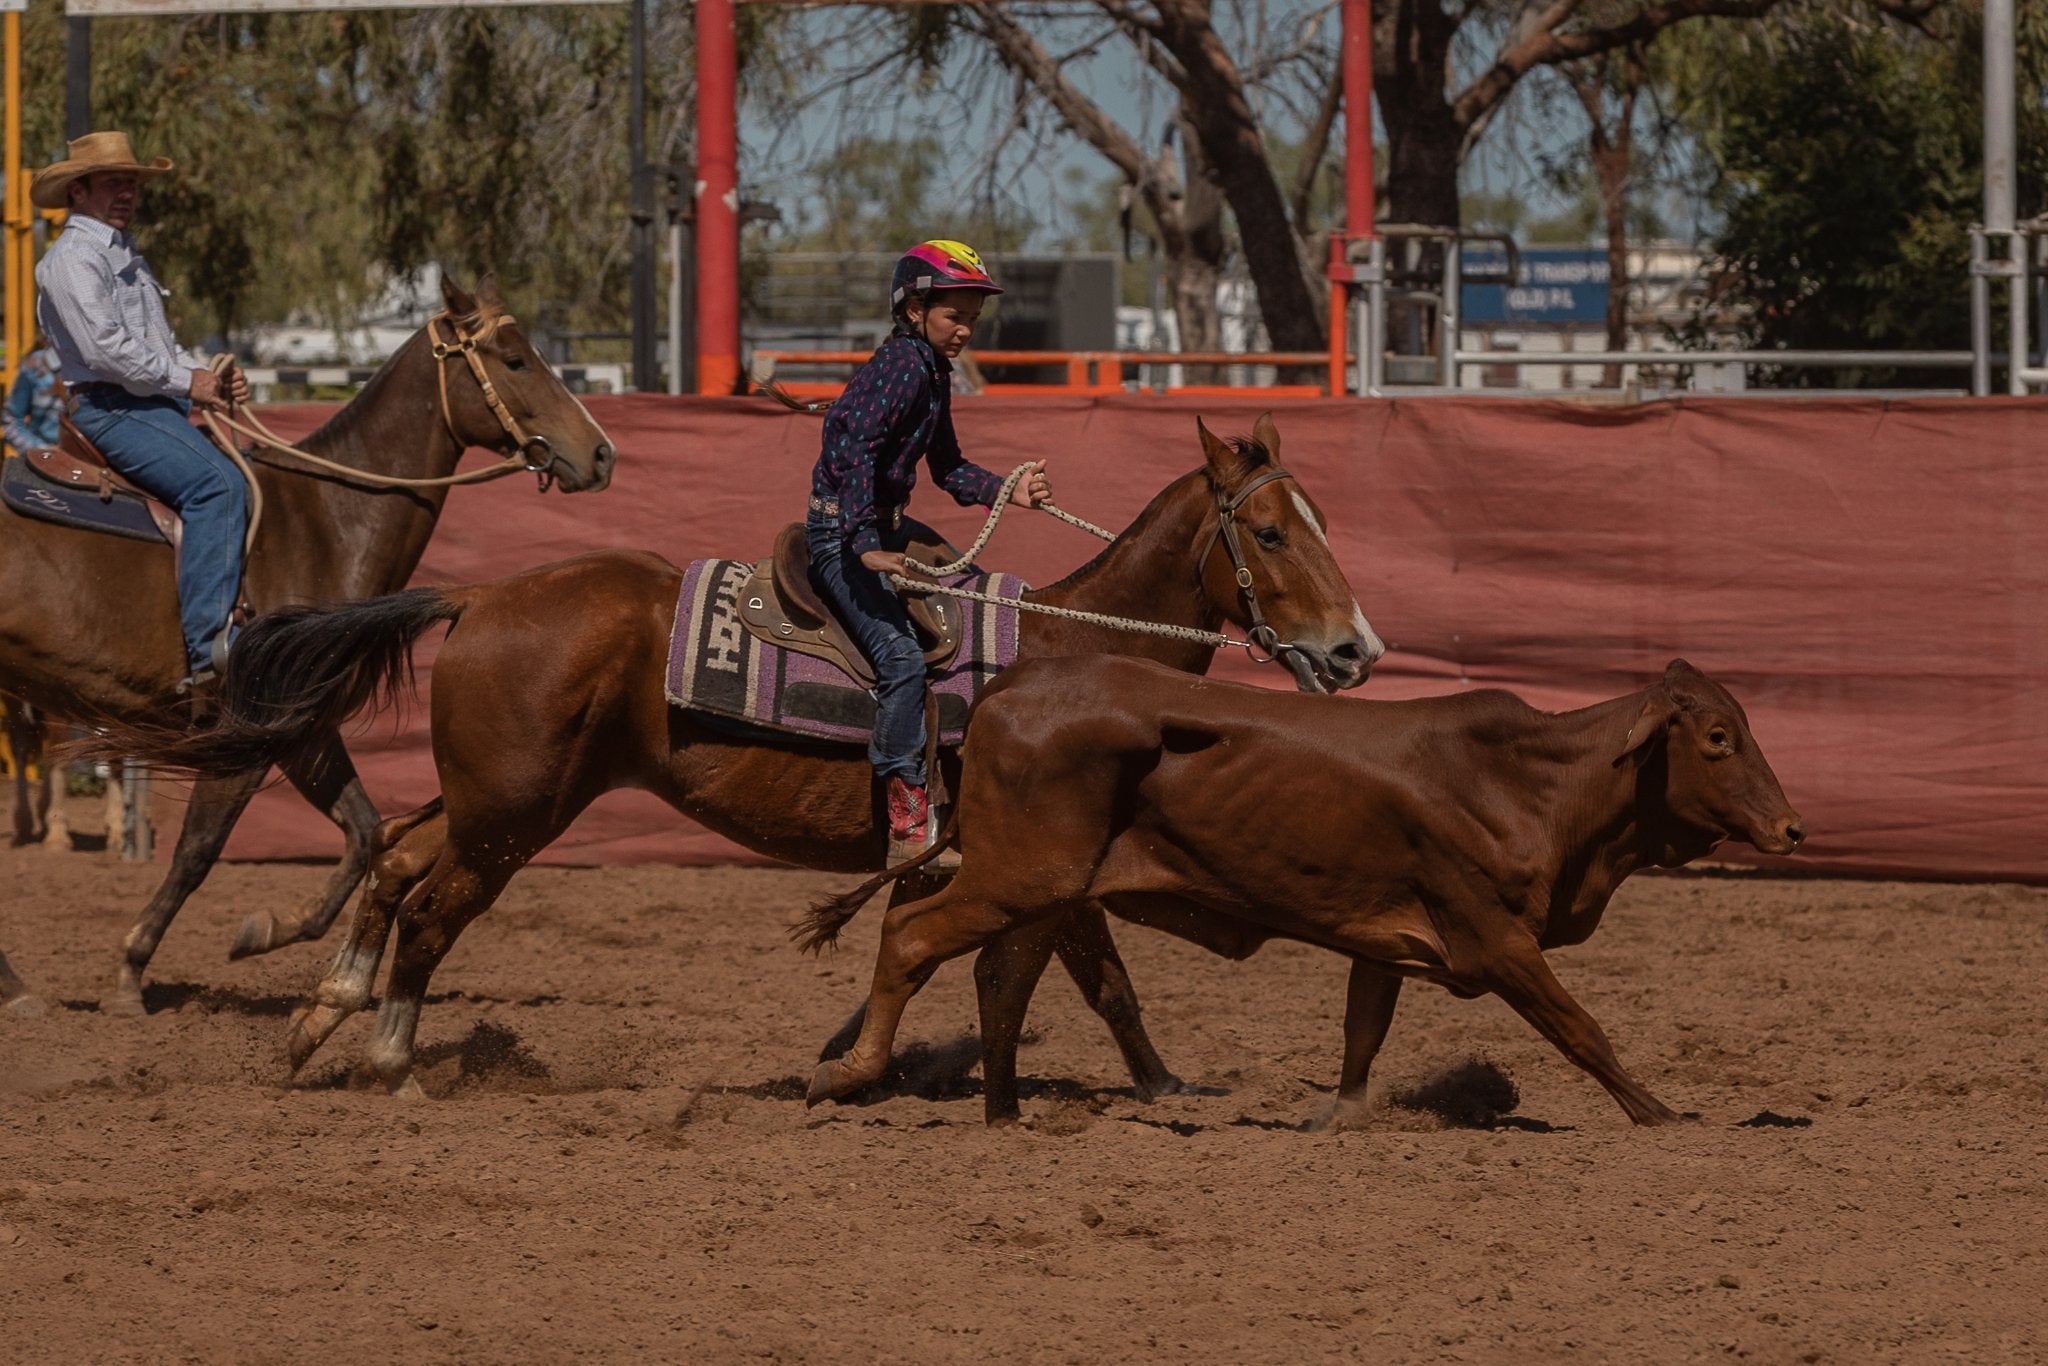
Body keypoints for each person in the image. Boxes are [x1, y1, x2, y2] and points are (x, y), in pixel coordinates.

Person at [806, 239, 1051, 862]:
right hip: (841, 533)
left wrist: (1007, 489)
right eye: (953, 315)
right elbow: (852, 449)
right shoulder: (905, 367)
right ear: (914, 310)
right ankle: (906, 813)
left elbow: (947, 468)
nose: (965, 328)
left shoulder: (933, 371)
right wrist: (863, 543)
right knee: (900, 657)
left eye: (972, 316)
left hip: (883, 527)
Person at [30, 131, 251, 688]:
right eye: (113, 183)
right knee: (219, 487)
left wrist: (207, 380)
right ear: (77, 192)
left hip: (148, 404)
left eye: (131, 183)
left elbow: (157, 346)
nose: (127, 193)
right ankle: (210, 653)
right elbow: (107, 351)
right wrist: (186, 380)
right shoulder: (72, 260)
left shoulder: (123, 253)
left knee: (252, 470)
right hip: (113, 409)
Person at [3, 336, 62, 455]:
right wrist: (40, 450)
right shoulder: (35, 364)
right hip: (45, 455)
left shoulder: (102, 363)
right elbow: (11, 418)